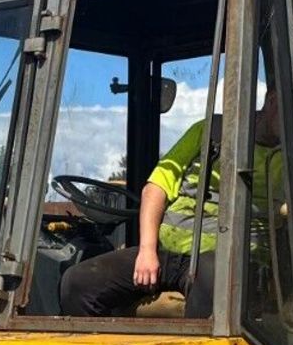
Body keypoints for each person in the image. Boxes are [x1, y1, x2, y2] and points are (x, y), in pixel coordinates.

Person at [59, 91, 281, 318]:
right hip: (167, 254)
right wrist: (147, 251)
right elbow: (155, 190)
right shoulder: (211, 132)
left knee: (215, 277)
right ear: (272, 101)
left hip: (229, 260)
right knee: (77, 283)